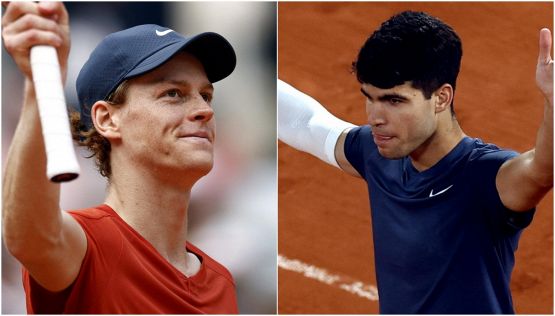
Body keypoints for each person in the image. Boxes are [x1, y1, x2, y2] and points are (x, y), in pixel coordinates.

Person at [278, 10, 553, 314]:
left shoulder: (486, 177)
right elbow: (306, 123)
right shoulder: (377, 153)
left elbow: (543, 168)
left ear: (441, 98)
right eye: (370, 97)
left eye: (394, 101)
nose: (375, 118)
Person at [2, 2, 239, 314]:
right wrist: (40, 83)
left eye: (205, 95)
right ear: (108, 119)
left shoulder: (221, 282)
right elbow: (28, 235)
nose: (204, 110)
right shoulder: (86, 245)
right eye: (173, 94)